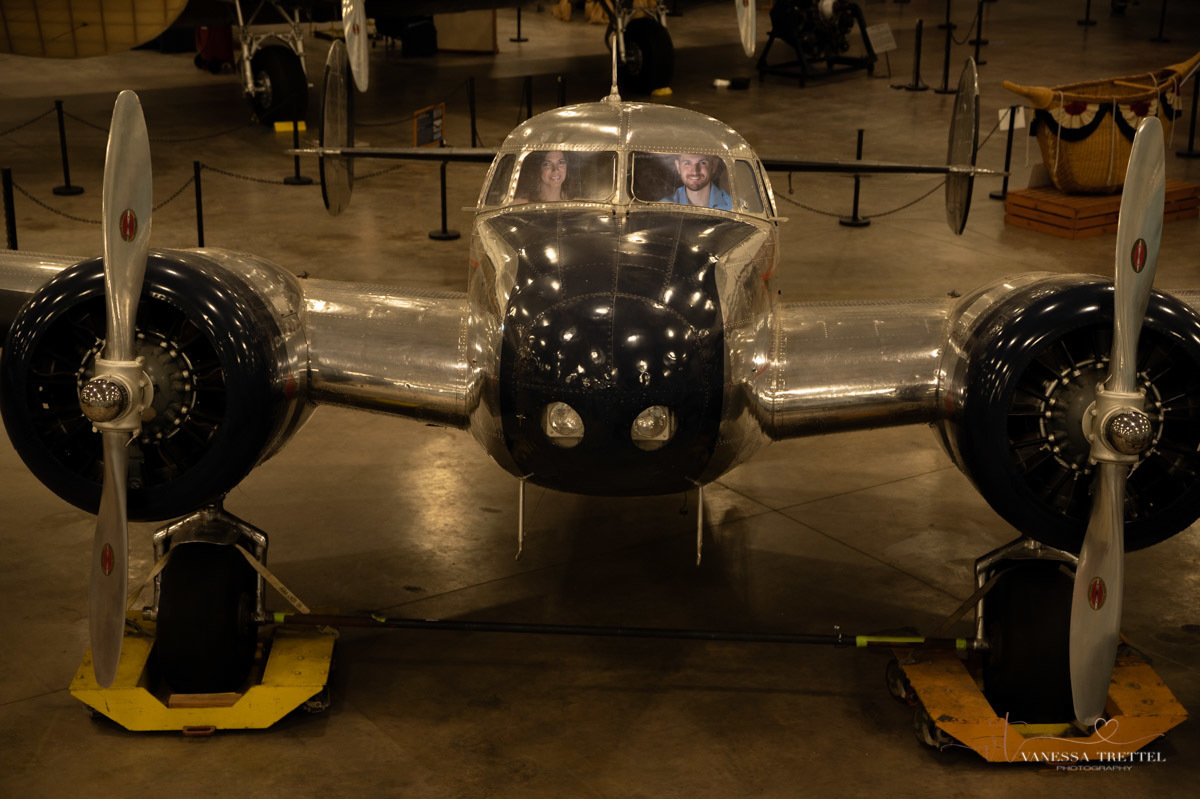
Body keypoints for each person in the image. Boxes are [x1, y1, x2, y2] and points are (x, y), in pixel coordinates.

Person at [661, 153, 732, 210]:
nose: (695, 171)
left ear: (714, 166)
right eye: (687, 163)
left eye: (702, 163)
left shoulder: (733, 207)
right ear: (678, 166)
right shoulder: (663, 208)